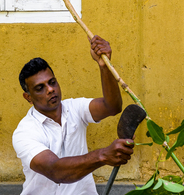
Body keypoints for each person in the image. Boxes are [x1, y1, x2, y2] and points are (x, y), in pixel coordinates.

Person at [12, 35, 135, 195]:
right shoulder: (25, 132)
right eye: (40, 88)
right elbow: (55, 171)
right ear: (28, 97)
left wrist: (104, 65)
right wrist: (102, 155)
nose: (50, 89)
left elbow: (111, 107)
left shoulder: (75, 108)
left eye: (52, 82)